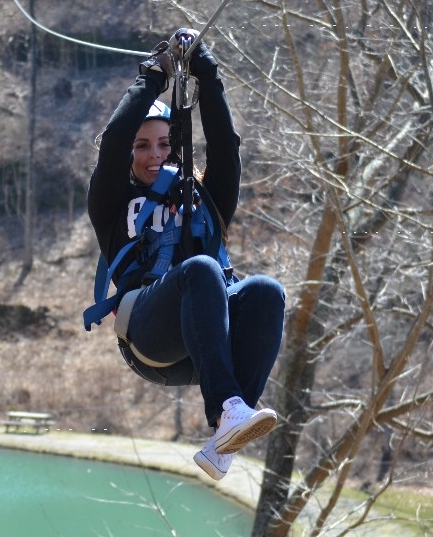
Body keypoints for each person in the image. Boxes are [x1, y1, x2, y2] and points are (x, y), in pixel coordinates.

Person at [86, 29, 285, 480]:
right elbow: (113, 141)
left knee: (266, 291)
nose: (154, 155)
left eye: (163, 144)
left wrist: (207, 75)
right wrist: (153, 78)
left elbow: (226, 148)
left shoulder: (205, 199)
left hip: (208, 341)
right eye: (142, 146)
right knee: (201, 269)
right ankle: (227, 408)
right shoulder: (112, 203)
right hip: (148, 334)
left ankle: (226, 435)